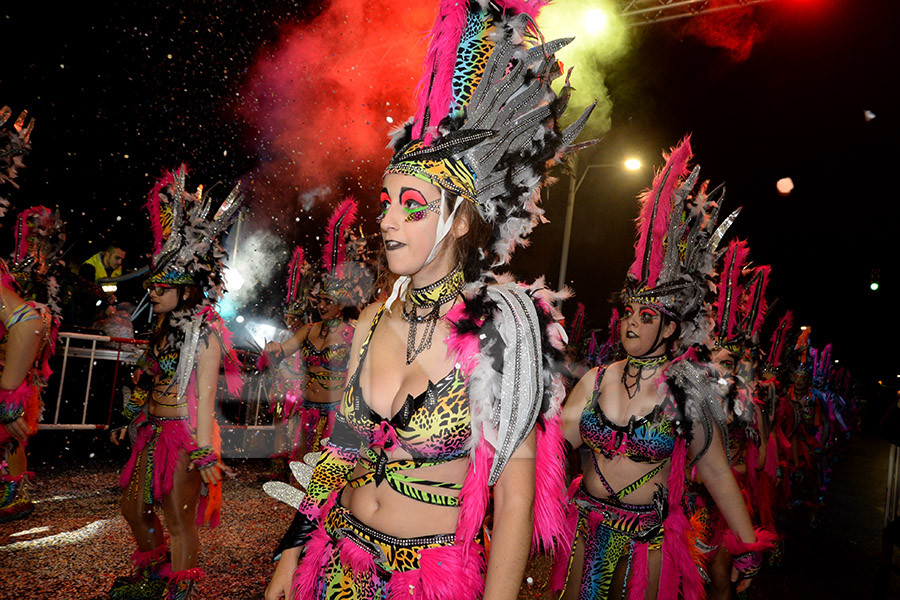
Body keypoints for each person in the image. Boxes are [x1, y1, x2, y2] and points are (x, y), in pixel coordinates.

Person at [264, 2, 595, 599]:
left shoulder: (502, 327)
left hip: (430, 582)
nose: (388, 220)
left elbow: (515, 504)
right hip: (337, 563)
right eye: (386, 202)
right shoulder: (370, 319)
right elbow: (342, 450)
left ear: (460, 221)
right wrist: (293, 548)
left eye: (411, 206)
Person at [554, 138, 774, 600]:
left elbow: (715, 472)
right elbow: (554, 448)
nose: (632, 323)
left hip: (648, 545)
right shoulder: (596, 381)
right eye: (629, 313)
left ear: (673, 329)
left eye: (646, 316)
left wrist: (748, 544)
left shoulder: (685, 393)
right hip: (586, 532)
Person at [108, 166, 243, 600]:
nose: (155, 291)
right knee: (133, 507)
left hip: (185, 436)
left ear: (187, 287)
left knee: (179, 516)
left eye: (163, 284)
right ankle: (156, 569)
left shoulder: (206, 333)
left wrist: (205, 451)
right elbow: (149, 377)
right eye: (153, 284)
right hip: (153, 430)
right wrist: (129, 413)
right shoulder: (164, 329)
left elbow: (205, 396)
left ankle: (180, 589)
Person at [264, 199, 368, 464]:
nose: (321, 306)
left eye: (328, 302)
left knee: (330, 477)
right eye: (320, 300)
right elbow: (283, 351)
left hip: (337, 415)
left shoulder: (354, 333)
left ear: (342, 305)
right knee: (302, 472)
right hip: (308, 412)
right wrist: (274, 351)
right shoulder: (308, 330)